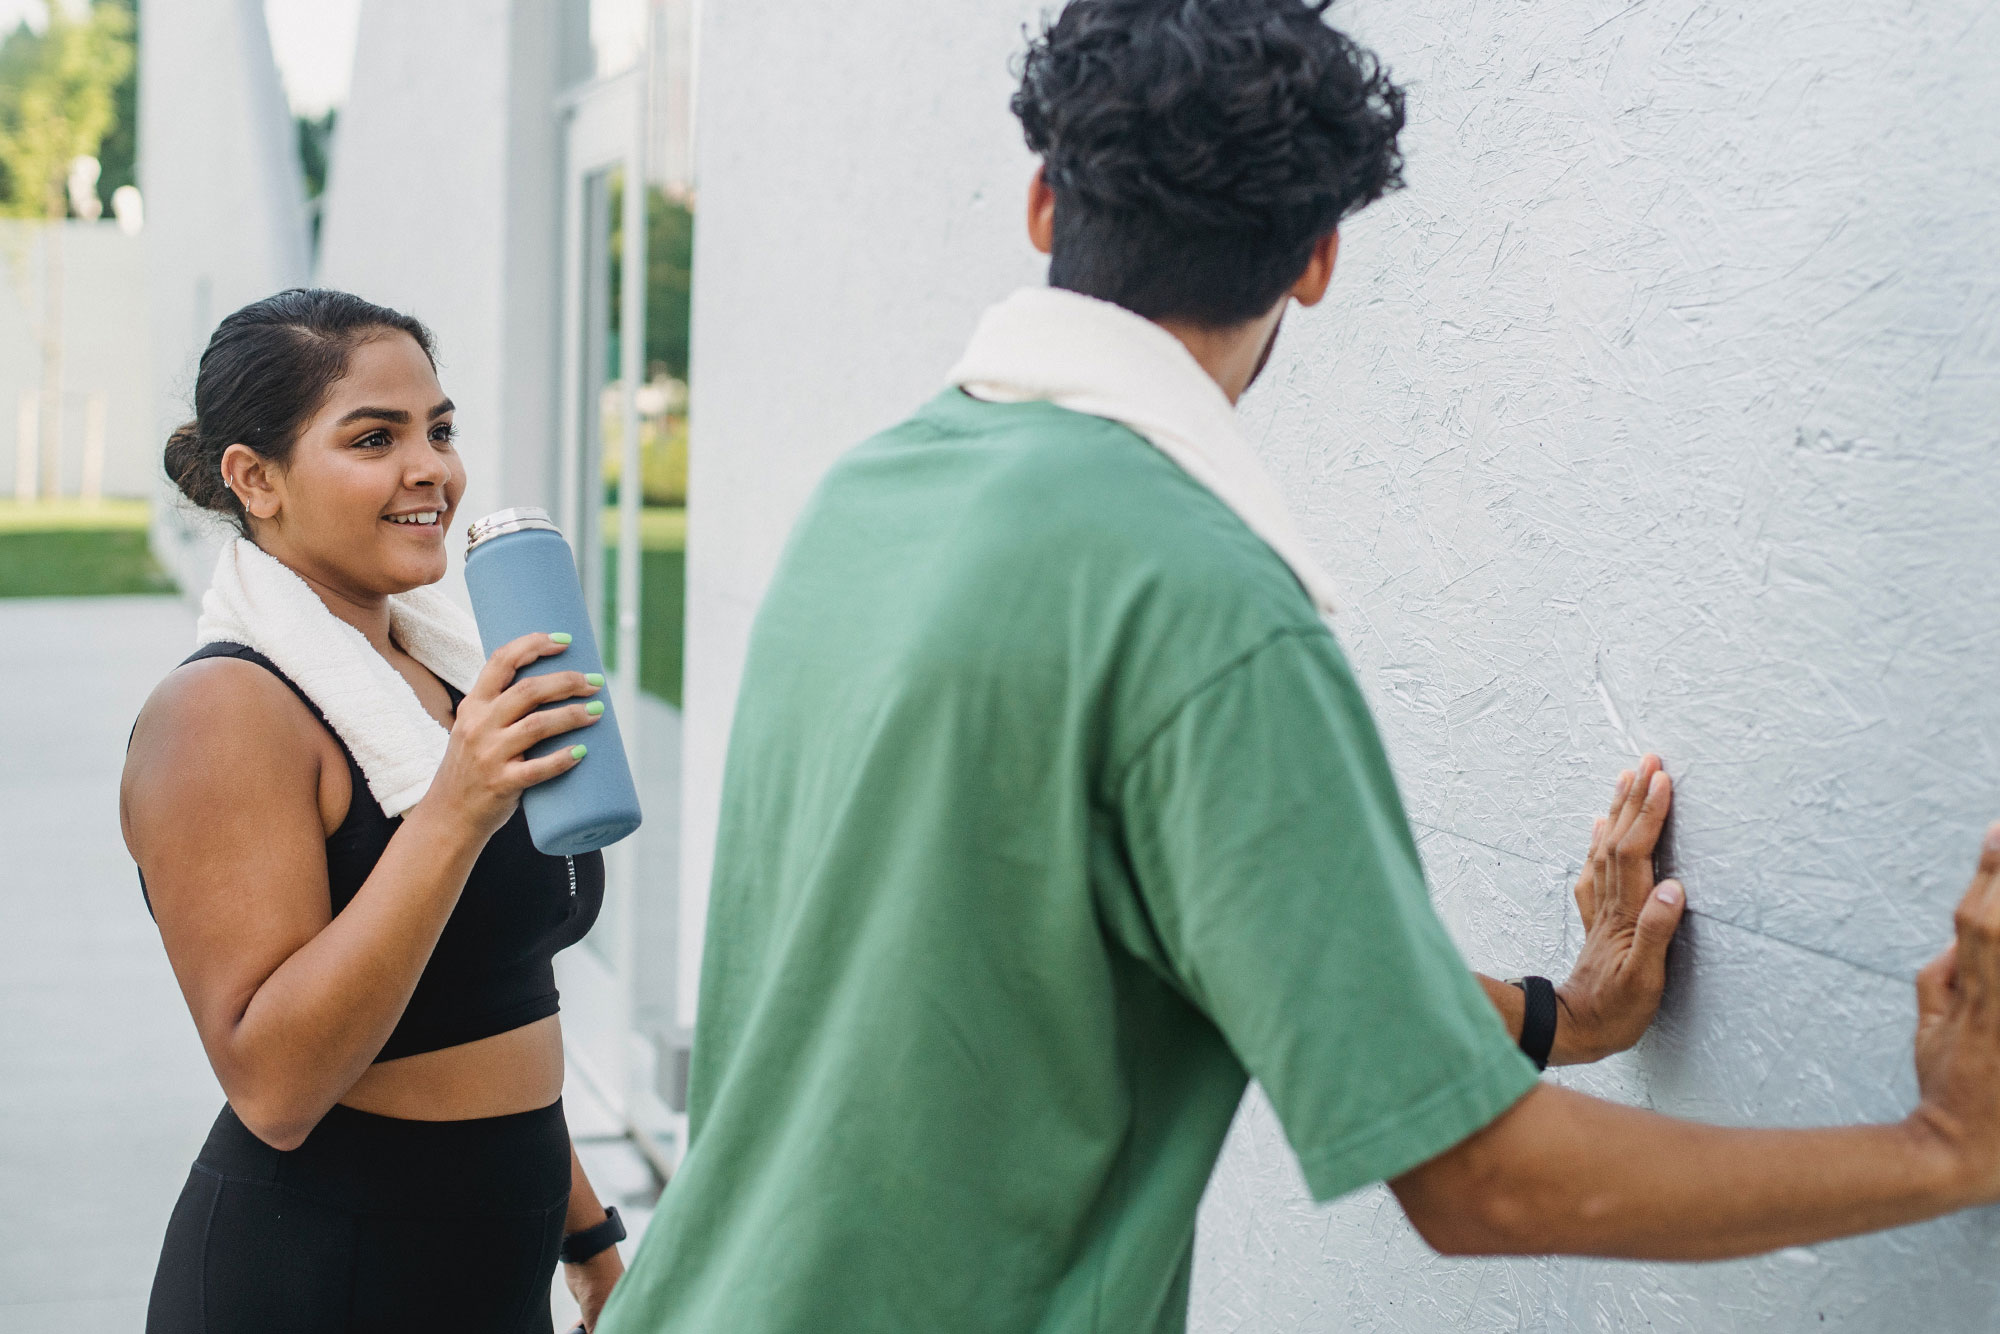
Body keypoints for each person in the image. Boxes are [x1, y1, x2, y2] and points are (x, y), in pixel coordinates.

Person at [596, 3, 2000, 1331]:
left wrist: (1562, 1015)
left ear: (1041, 204)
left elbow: (1180, 936)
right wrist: (1943, 1144)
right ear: (1318, 259)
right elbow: (1476, 1178)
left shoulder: (867, 499)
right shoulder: (1202, 607)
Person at [123, 290, 630, 1333]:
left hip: (496, 1271)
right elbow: (275, 1086)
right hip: (322, 1278)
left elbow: (496, 996)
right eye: (374, 438)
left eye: (439, 430)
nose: (431, 468)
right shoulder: (223, 711)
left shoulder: (443, 671)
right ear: (254, 479)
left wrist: (588, 1237)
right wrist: (456, 808)